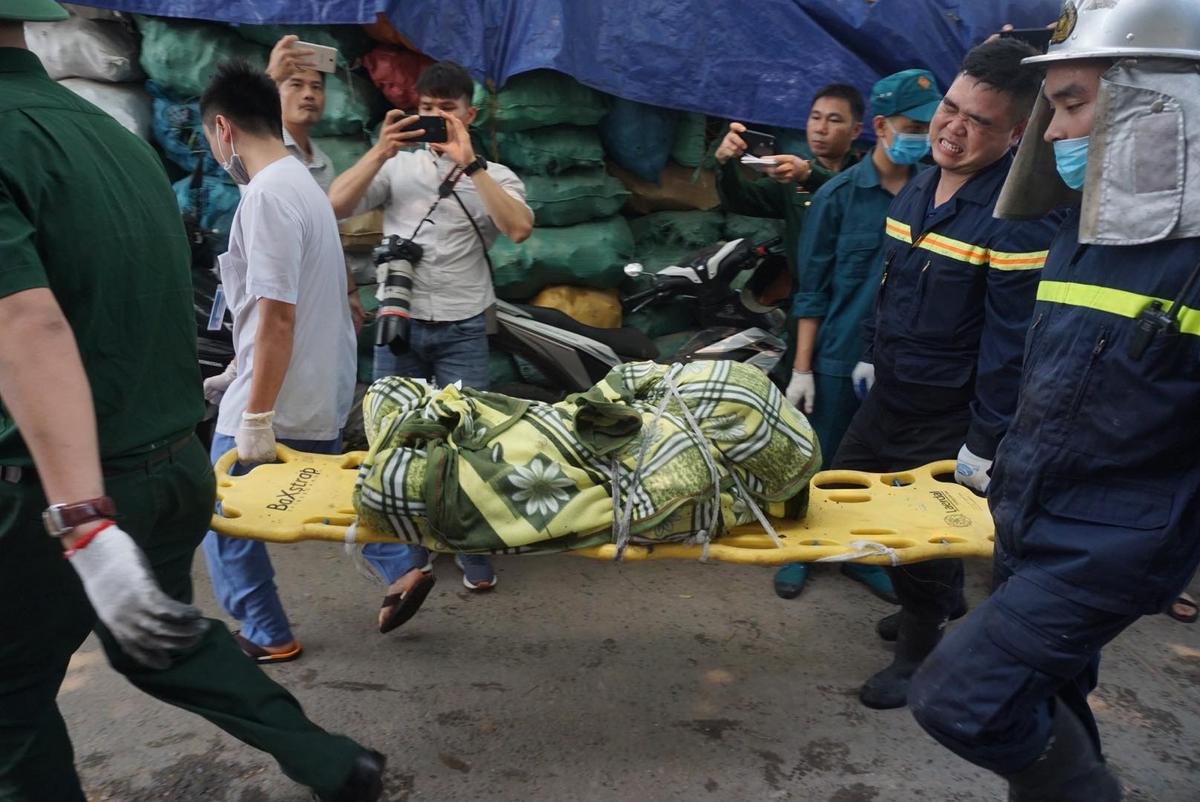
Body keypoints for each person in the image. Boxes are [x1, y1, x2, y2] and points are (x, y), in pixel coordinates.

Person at [0, 4, 382, 800]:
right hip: (169, 464)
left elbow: (25, 323)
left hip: (58, 493)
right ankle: (328, 759)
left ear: (219, 129)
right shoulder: (115, 142)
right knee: (159, 641)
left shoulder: (269, 194)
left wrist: (83, 518)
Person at [909, 3, 1200, 798]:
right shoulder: (1082, 233)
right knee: (1043, 695)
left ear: (1167, 102)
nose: (1050, 133)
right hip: (1030, 517)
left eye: (1071, 103)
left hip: (1106, 552)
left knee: (958, 700)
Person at [839, 37, 1058, 711]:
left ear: (1018, 133)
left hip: (948, 413)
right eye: (950, 109)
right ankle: (932, 605)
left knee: (919, 536)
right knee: (850, 491)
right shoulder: (919, 187)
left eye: (979, 121)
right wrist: (871, 349)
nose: (952, 129)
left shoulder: (1015, 221)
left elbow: (1009, 341)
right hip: (894, 387)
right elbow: (890, 280)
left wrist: (985, 439)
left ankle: (919, 648)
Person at [329, 61, 533, 631]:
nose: (439, 118)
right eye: (430, 108)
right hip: (401, 324)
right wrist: (379, 150)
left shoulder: (498, 175)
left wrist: (471, 164)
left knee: (467, 447)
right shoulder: (399, 167)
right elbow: (334, 206)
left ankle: (470, 548)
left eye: (449, 108)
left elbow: (517, 228)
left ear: (470, 112)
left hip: (464, 325)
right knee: (394, 446)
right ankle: (411, 558)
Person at [198, 60, 356, 664]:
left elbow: (276, 317)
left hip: (277, 394)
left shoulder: (265, 198)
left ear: (223, 130)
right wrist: (239, 368)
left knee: (221, 510)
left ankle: (265, 631)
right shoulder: (300, 184)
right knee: (329, 489)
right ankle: (400, 565)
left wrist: (255, 413)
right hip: (318, 380)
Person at [772, 69, 943, 603]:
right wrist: (802, 368)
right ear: (881, 126)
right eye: (911, 124)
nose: (922, 134)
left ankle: (861, 554)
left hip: (901, 359)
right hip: (838, 353)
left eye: (927, 124)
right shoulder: (838, 197)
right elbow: (812, 289)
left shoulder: (933, 191)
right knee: (820, 460)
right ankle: (802, 549)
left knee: (885, 468)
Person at [715, 83, 865, 286]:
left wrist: (809, 175)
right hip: (803, 298)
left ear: (855, 130)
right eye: (815, 117)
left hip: (852, 299)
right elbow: (741, 200)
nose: (820, 129)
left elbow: (855, 198)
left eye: (834, 120)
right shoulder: (793, 178)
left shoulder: (868, 176)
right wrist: (725, 163)